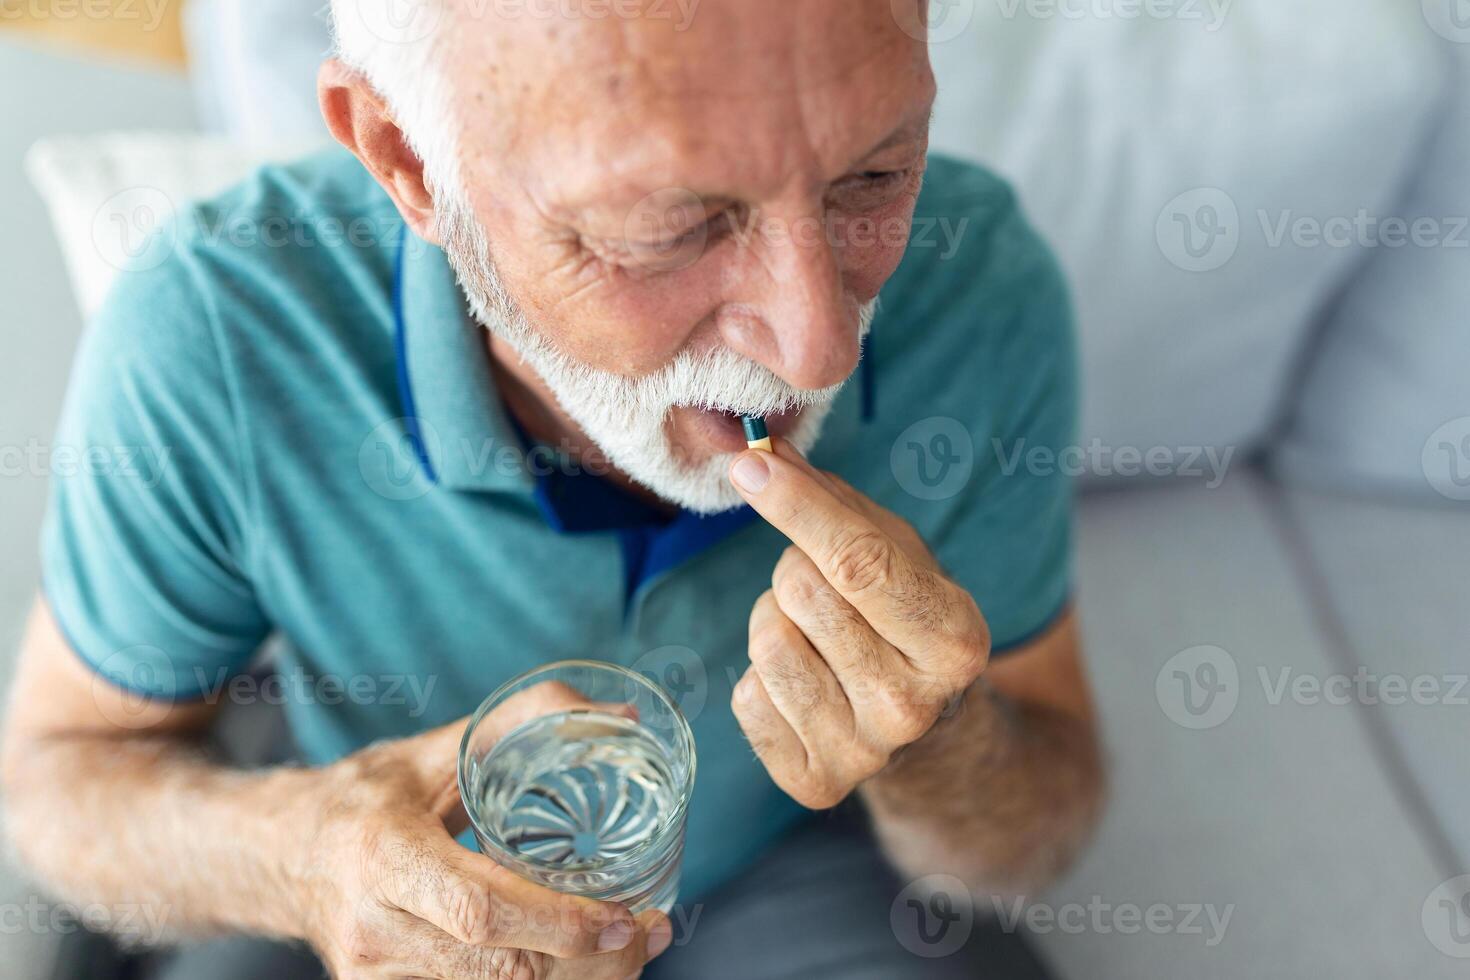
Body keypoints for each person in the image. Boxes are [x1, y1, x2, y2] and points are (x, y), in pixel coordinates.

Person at [0, 1, 1104, 976]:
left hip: (784, 867)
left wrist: (941, 747)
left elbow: (1041, 818)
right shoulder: (213, 333)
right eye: (666, 230)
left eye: (874, 173)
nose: (817, 348)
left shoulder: (987, 292)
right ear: (407, 161)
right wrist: (302, 856)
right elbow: (54, 779)